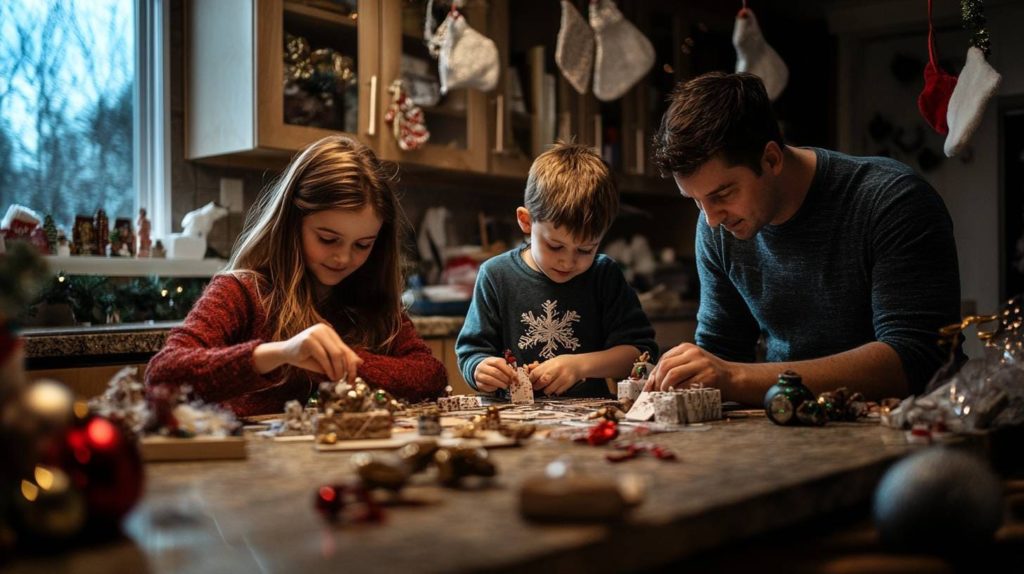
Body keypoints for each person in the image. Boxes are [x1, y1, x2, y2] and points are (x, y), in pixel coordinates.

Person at [647, 72, 963, 404]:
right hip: (788, 422)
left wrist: (734, 377)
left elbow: (916, 360)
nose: (711, 219)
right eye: (696, 201)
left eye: (723, 193)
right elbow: (722, 349)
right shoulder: (717, 227)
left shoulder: (891, 201)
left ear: (771, 159)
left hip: (910, 428)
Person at [146, 135, 447, 416]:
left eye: (362, 245)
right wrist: (281, 353)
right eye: (328, 239)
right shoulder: (241, 291)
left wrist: (335, 361)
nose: (343, 258)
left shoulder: (371, 299)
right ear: (292, 223)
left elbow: (429, 375)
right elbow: (163, 374)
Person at [456, 143, 658, 398]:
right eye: (555, 246)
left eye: (585, 250)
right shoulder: (496, 276)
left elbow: (640, 354)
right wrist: (480, 370)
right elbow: (471, 354)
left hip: (592, 421)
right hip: (515, 421)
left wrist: (579, 365)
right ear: (526, 221)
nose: (567, 262)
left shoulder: (604, 275)